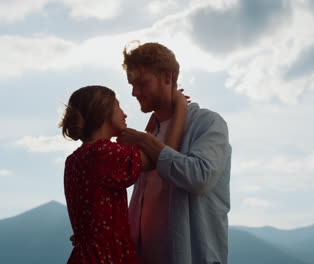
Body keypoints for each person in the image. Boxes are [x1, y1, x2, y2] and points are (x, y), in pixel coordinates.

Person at [117, 42, 232, 264]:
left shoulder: (208, 123)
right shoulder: (152, 130)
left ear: (168, 78)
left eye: (142, 83)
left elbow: (200, 178)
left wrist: (145, 140)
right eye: (132, 85)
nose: (134, 93)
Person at [60, 85, 187, 264]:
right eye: (118, 107)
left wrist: (151, 124)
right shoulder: (104, 153)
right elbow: (164, 157)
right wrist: (181, 107)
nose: (125, 114)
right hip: (107, 257)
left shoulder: (75, 159)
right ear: (104, 112)